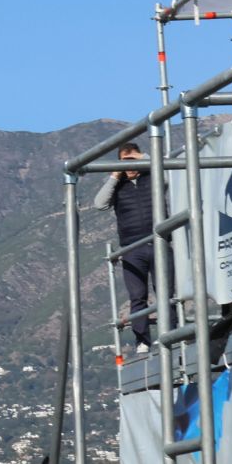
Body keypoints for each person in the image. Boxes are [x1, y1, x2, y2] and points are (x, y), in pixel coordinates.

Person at [93, 142, 155, 349]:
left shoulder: (152, 177)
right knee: (137, 295)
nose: (129, 166)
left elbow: (166, 173)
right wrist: (114, 176)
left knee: (167, 292)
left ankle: (171, 332)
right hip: (132, 248)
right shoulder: (117, 186)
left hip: (159, 241)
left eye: (132, 161)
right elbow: (100, 204)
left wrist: (141, 157)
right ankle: (142, 340)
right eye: (124, 161)